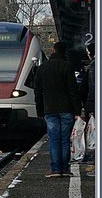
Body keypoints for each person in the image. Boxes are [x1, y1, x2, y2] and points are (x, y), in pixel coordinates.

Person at [34, 40, 82, 176]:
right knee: (65, 139)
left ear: (53, 50)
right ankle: (65, 169)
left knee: (54, 139)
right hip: (66, 109)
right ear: (64, 52)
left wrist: (40, 111)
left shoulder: (43, 68)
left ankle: (55, 169)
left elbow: (37, 91)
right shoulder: (67, 66)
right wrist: (77, 110)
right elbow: (73, 91)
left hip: (49, 109)